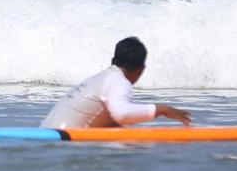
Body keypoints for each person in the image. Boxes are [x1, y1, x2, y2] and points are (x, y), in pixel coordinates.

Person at [39, 36, 192, 129]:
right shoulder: (119, 81)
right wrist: (160, 109)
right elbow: (122, 114)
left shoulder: (99, 78)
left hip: (45, 137)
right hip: (62, 144)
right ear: (140, 70)